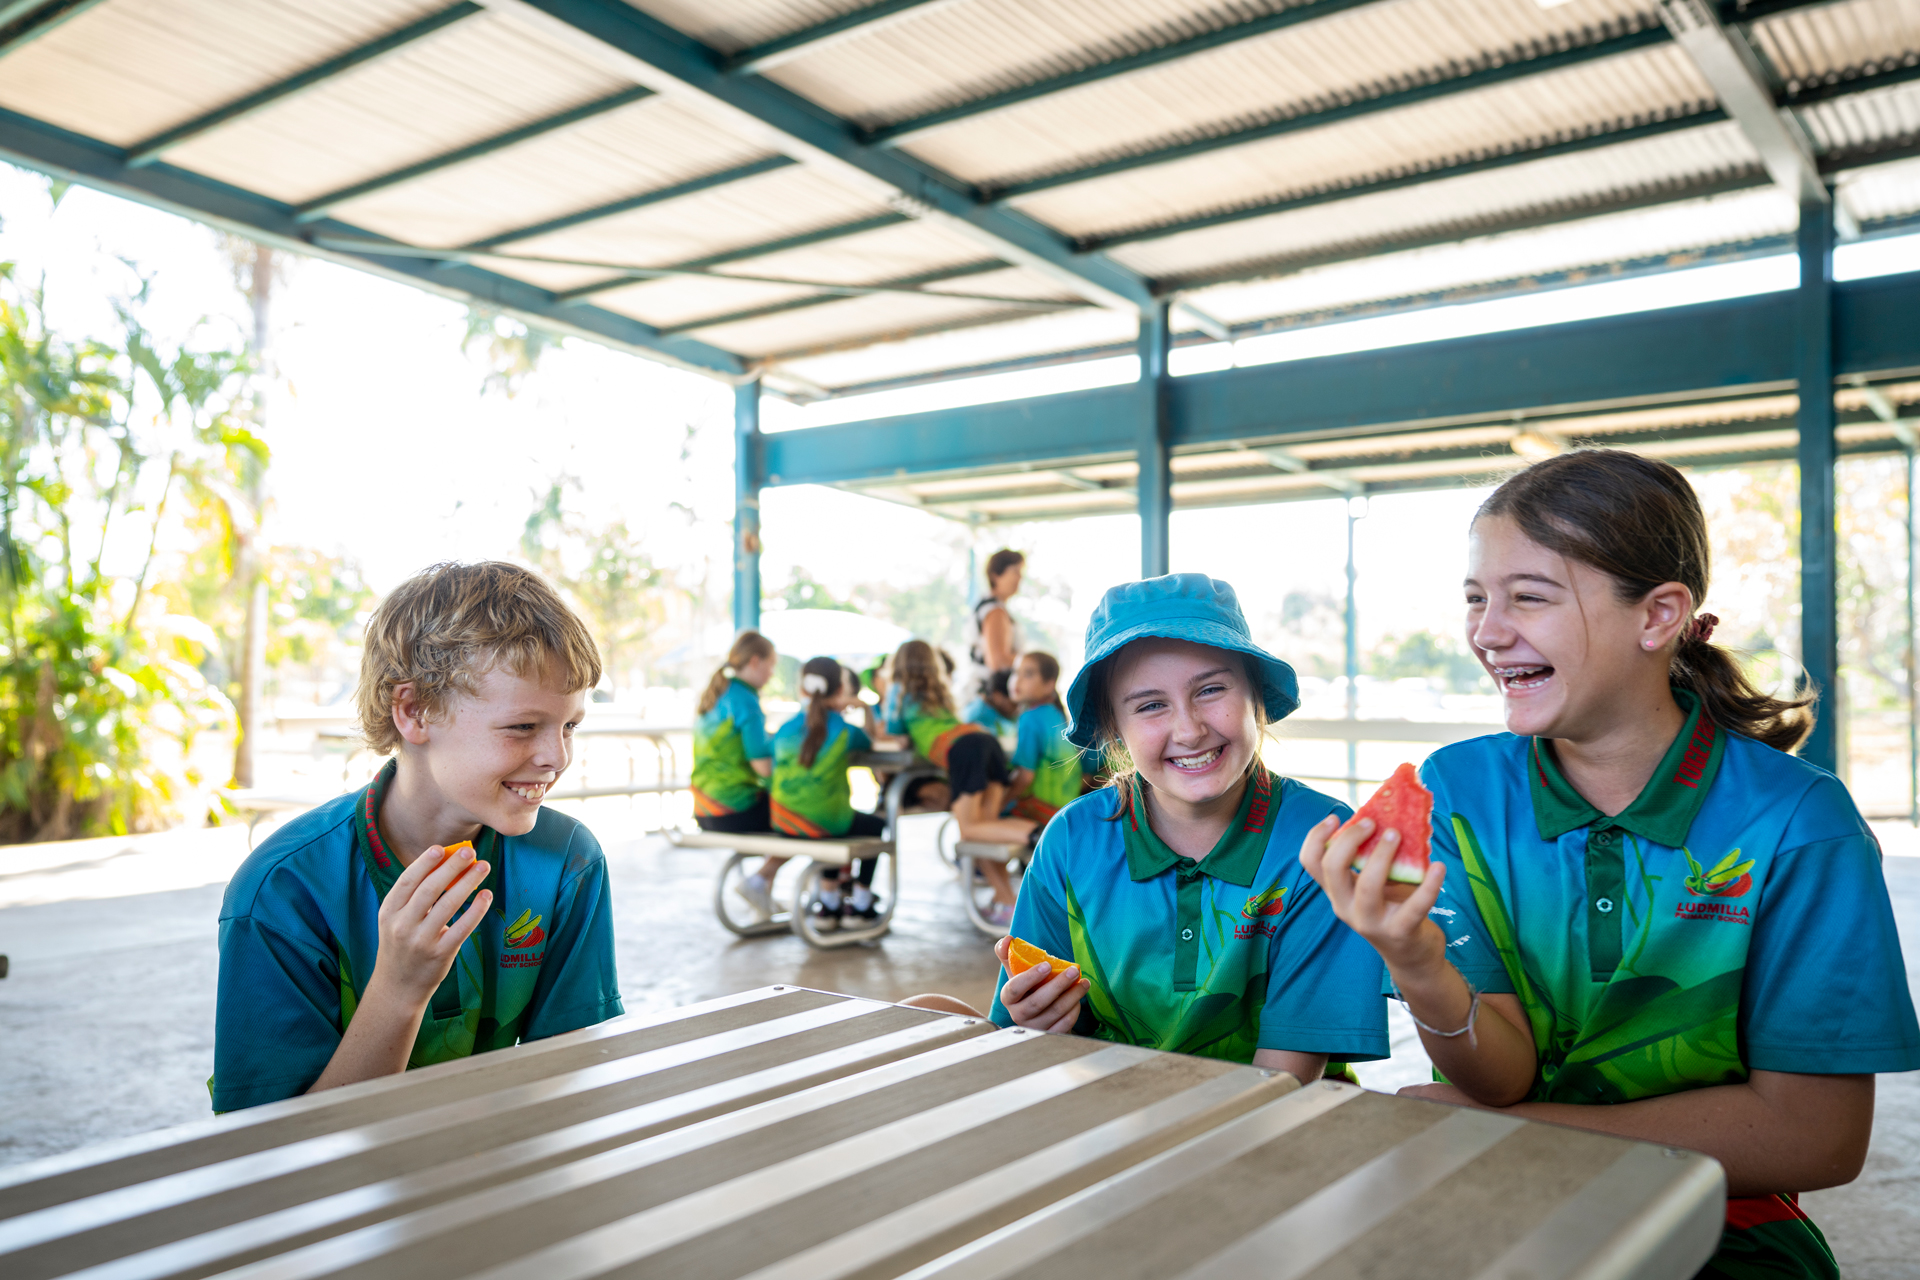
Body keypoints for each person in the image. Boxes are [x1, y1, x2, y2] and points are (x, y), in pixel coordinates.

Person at [1298, 450, 1920, 1280]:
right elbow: (1499, 1079)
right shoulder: (1457, 790)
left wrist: (1519, 1133)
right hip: (1502, 1191)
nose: (1486, 631)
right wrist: (1415, 963)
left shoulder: (1802, 822)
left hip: (1723, 1224)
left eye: (1529, 597)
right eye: (1477, 599)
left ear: (1659, 616)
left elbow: (1816, 1139)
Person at [910, 575, 1389, 1083]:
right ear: (1114, 729)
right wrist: (1036, 1024)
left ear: (1257, 697)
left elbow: (1283, 1084)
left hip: (1269, 1125)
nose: (1189, 730)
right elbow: (1033, 1045)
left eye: (1211, 690)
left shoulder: (1322, 843)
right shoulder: (1072, 840)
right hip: (1103, 1108)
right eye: (1150, 705)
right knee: (923, 1009)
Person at [212, 562, 622, 1110]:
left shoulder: (567, 862)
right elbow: (266, 1147)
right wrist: (398, 990)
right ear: (413, 711)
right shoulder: (282, 890)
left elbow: (573, 1080)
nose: (557, 757)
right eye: (523, 727)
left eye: (569, 725)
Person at [886, 638, 1034, 925]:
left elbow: (897, 733)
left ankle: (1036, 836)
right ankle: (1007, 900)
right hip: (983, 742)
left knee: (969, 830)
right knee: (984, 830)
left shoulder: (899, 691)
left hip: (964, 751)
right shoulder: (938, 693)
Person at [772, 657, 887, 932]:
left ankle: (829, 901)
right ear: (840, 692)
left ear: (803, 690)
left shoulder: (784, 729)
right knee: (874, 825)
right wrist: (866, 711)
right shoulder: (845, 730)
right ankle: (859, 902)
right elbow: (871, 742)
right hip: (827, 824)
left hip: (783, 820)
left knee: (829, 821)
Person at [692, 630, 783, 918]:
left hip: (704, 810)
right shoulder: (746, 701)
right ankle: (759, 880)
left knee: (781, 810)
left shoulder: (719, 694)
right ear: (755, 662)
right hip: (735, 809)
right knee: (807, 814)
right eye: (770, 666)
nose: (771, 674)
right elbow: (764, 767)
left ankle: (763, 891)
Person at [1005, 651, 1082, 825]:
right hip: (1066, 807)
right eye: (1015, 672)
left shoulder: (1030, 718)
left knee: (992, 815)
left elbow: (1025, 777)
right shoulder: (1056, 714)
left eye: (1028, 674)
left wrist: (1001, 802)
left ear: (1049, 684)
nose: (1017, 680)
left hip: (1044, 810)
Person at [962, 549, 1025, 733]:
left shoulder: (988, 606)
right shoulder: (994, 610)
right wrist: (1029, 663)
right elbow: (997, 661)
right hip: (990, 700)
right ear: (996, 574)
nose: (1019, 578)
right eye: (1015, 571)